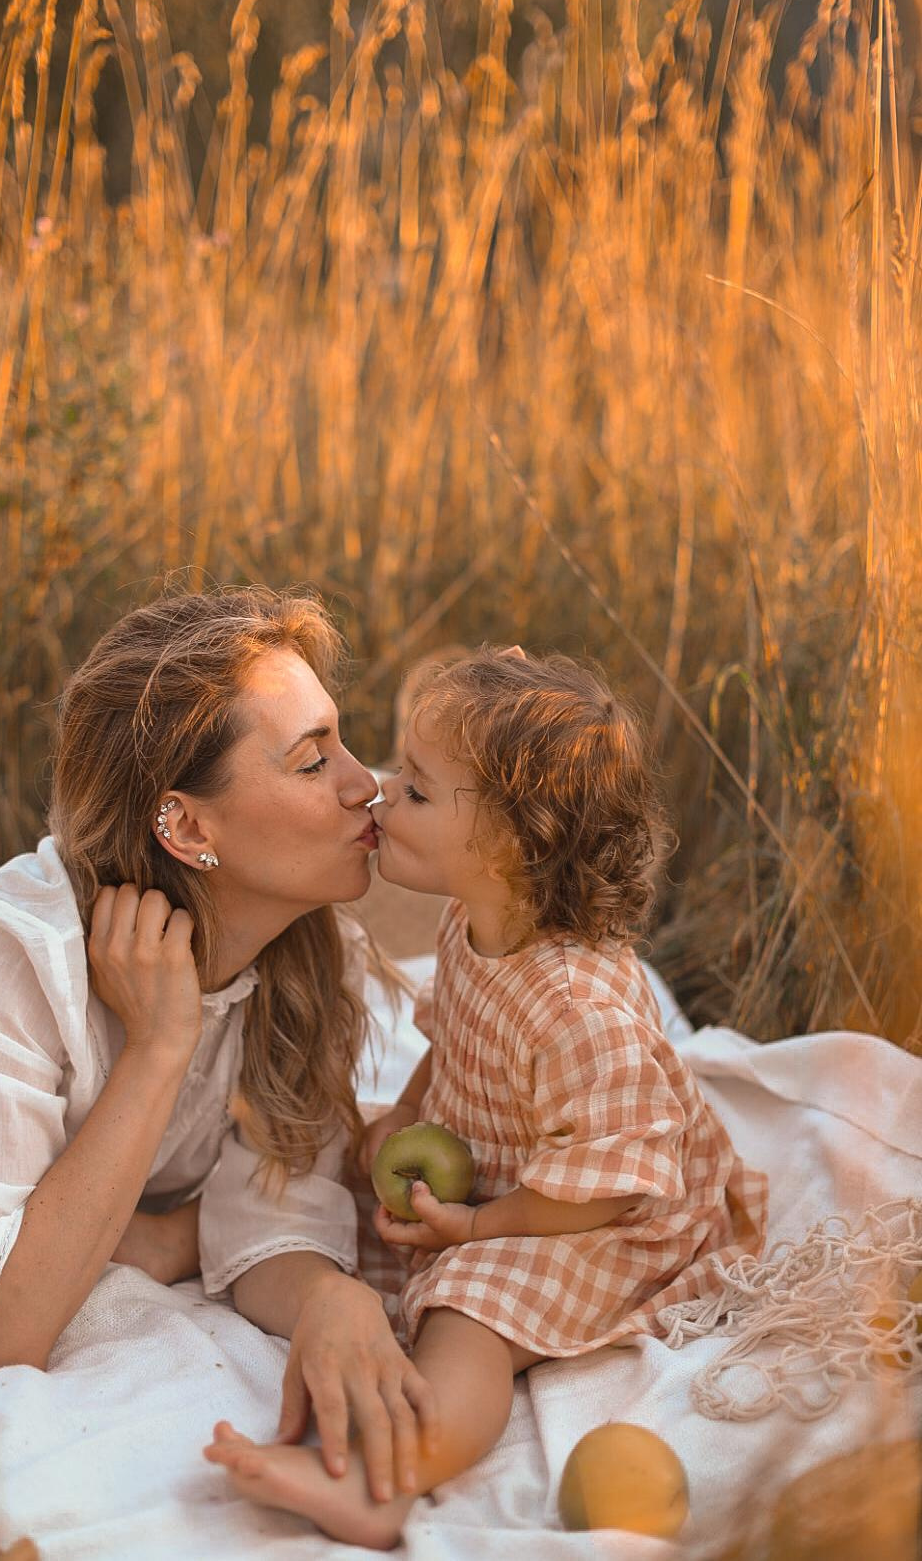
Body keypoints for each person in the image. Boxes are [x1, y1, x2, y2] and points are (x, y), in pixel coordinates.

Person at [0, 586, 438, 1506]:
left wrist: (331, 1296)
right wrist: (160, 1047)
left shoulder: (319, 953)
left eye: (344, 742)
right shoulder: (9, 955)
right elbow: (12, 1324)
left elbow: (272, 1208)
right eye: (314, 761)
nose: (368, 783)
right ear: (189, 826)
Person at [205, 645, 768, 1549]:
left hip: (598, 1217)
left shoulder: (578, 1009)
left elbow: (612, 1183)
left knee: (467, 1314)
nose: (382, 792)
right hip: (518, 1167)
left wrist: (480, 1229)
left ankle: (395, 1477)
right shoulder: (470, 920)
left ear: (514, 844)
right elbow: (450, 1039)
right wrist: (406, 1115)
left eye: (418, 790)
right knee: (326, 1202)